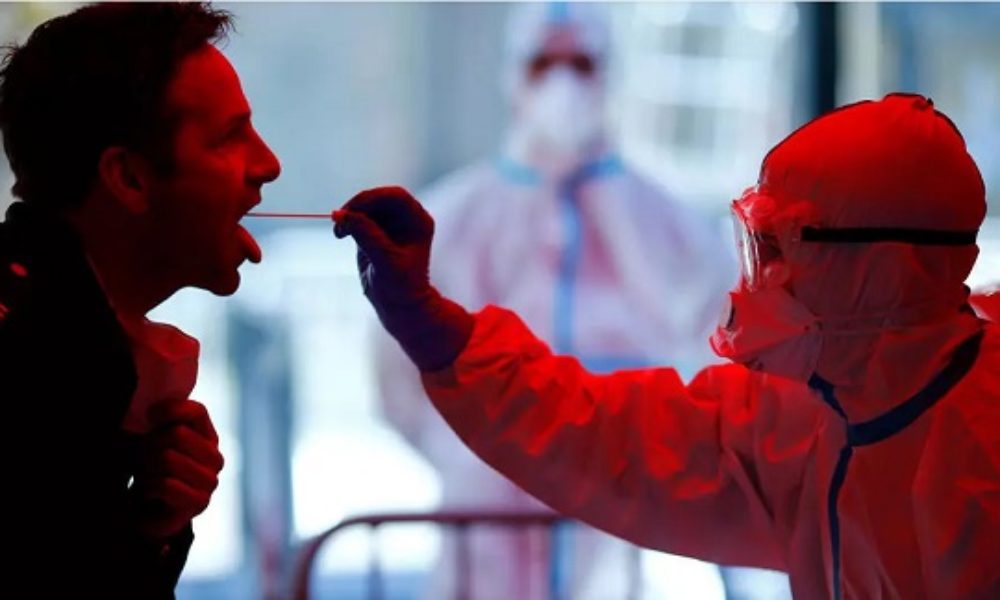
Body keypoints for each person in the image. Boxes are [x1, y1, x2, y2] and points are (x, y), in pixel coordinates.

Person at [335, 93, 999, 599]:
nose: (759, 280)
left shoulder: (976, 446)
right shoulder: (810, 418)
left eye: (780, 248)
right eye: (755, 246)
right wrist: (434, 328)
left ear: (882, 269)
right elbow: (610, 435)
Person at [373, 3, 746, 598]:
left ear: (609, 72)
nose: (562, 83)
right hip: (483, 506)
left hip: (623, 502)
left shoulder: (668, 226)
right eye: (543, 63)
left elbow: (719, 352)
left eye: (582, 62)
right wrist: (466, 453)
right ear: (512, 72)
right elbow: (398, 375)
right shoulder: (453, 219)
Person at [0, 2, 280, 595]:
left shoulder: (72, 339)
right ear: (128, 178)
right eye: (231, 137)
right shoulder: (35, 365)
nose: (268, 165)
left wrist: (154, 525)